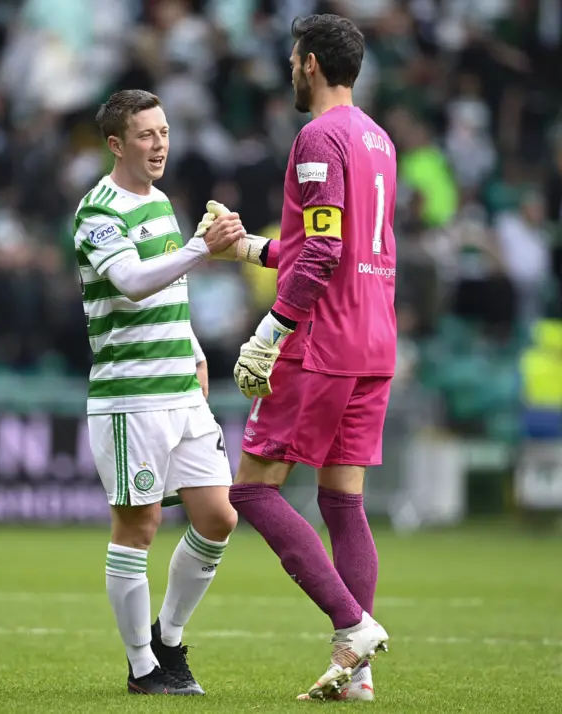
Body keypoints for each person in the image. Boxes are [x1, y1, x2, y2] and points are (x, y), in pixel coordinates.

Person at [212, 14, 397, 702]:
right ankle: (358, 674)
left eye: (294, 59)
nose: (290, 69)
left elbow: (321, 254)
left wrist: (271, 329)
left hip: (322, 340)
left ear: (311, 64)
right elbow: (337, 245)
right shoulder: (378, 138)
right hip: (376, 337)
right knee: (341, 501)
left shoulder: (317, 138)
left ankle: (351, 624)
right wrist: (251, 249)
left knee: (252, 489)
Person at [73, 89, 244, 696]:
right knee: (139, 526)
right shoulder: (97, 211)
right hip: (131, 396)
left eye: (164, 132)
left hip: (180, 386)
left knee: (219, 516)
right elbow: (132, 280)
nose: (160, 144)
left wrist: (194, 348)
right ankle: (143, 667)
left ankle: (169, 639)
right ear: (116, 144)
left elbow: (170, 293)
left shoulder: (163, 201)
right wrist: (203, 247)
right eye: (146, 135)